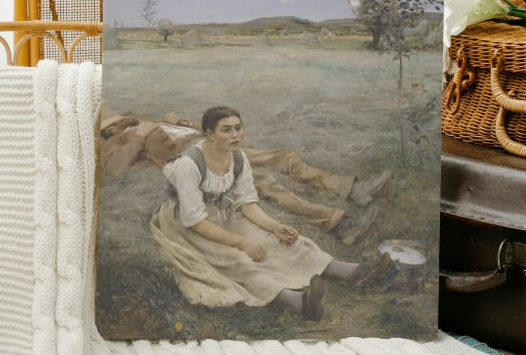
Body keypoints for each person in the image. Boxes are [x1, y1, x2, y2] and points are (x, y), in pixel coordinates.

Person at [149, 105, 389, 321]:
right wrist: (241, 242)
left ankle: (345, 271)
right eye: (226, 130)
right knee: (234, 258)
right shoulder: (187, 166)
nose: (235, 135)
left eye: (238, 128)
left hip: (222, 214)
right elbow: (195, 221)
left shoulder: (238, 157)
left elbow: (246, 203)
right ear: (209, 135)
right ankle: (297, 302)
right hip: (185, 224)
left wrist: (275, 227)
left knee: (274, 240)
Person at [100, 107, 389, 244]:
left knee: (281, 156)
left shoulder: (146, 122)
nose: (121, 123)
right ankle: (341, 225)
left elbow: (198, 131)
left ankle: (352, 189)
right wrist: (136, 137)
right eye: (115, 124)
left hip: (210, 141)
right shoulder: (122, 141)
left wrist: (180, 122)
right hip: (199, 156)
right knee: (265, 183)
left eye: (122, 120)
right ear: (108, 130)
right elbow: (115, 169)